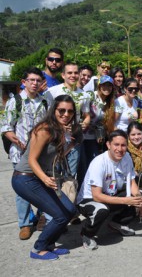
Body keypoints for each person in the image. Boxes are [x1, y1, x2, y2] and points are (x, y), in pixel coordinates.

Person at [11, 95, 78, 260]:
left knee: (69, 211)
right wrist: (45, 178)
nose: (66, 114)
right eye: (61, 110)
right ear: (54, 110)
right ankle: (38, 248)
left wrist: (71, 143)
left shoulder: (60, 130)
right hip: (25, 178)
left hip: (39, 178)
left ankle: (49, 245)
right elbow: (32, 159)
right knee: (59, 215)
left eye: (70, 111)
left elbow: (56, 156)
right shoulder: (44, 129)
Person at [77, 130, 142, 250]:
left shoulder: (127, 157)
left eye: (123, 145)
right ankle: (86, 234)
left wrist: (140, 200)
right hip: (89, 199)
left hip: (110, 194)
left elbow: (132, 183)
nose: (120, 149)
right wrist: (126, 201)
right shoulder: (99, 162)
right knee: (101, 210)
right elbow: (97, 196)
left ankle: (118, 223)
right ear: (108, 145)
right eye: (116, 145)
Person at [1, 67, 48, 240]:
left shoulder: (44, 102)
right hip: (20, 153)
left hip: (41, 154)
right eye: (31, 80)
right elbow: (6, 124)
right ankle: (25, 223)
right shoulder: (16, 101)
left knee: (42, 186)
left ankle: (42, 217)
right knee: (22, 190)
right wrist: (9, 134)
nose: (35, 83)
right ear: (24, 82)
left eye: (38, 80)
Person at [45, 63, 91, 178]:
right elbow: (46, 115)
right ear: (63, 75)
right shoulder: (52, 92)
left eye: (76, 73)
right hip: (55, 139)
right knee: (54, 173)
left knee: (70, 175)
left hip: (74, 140)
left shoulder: (84, 95)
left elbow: (87, 115)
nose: (73, 75)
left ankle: (68, 195)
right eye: (69, 73)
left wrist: (82, 125)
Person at [80, 75, 116, 188]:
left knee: (92, 165)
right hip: (81, 137)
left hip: (94, 139)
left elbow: (105, 122)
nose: (107, 88)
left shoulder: (109, 103)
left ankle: (90, 190)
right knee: (82, 166)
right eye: (104, 85)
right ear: (99, 86)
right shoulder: (90, 97)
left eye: (110, 86)